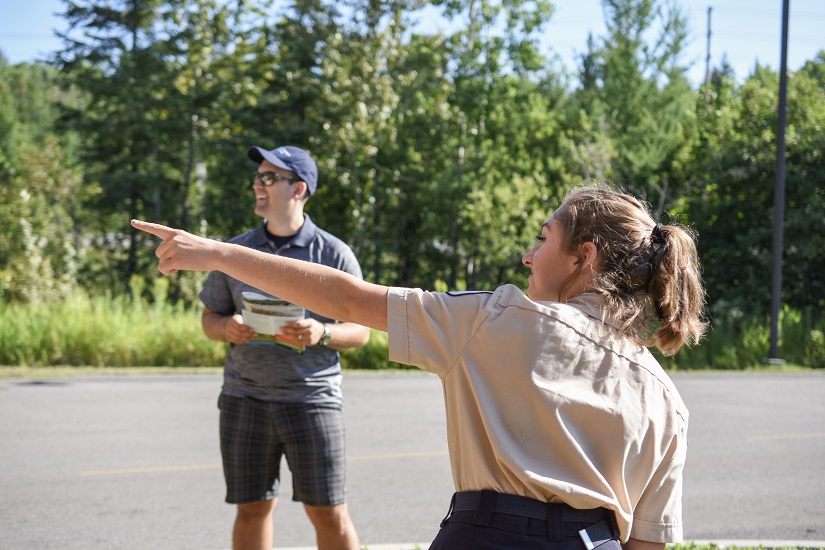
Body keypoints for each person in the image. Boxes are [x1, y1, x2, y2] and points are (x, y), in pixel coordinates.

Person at [133, 184, 707, 550]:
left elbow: (349, 299)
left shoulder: (493, 319)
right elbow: (646, 546)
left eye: (543, 238)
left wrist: (214, 252)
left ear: (585, 257)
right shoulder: (665, 401)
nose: (528, 255)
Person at [198, 144, 370, 550]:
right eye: (258, 177)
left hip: (313, 400)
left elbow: (362, 331)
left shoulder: (333, 254)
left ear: (299, 188)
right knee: (252, 508)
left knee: (329, 511)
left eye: (268, 178)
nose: (257, 184)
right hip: (244, 398)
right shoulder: (235, 252)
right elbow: (209, 319)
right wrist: (227, 327)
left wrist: (321, 333)